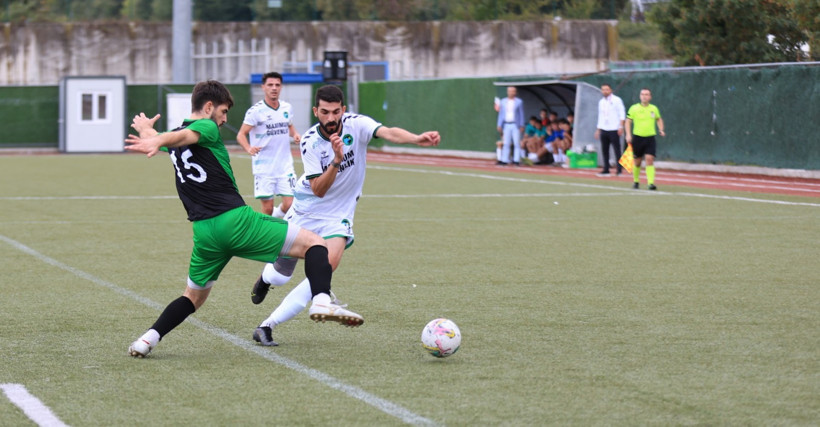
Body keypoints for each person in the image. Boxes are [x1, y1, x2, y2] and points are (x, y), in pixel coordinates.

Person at [123, 80, 362, 358]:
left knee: (193, 298)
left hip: (204, 233)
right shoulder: (207, 127)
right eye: (223, 111)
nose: (224, 119)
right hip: (235, 221)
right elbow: (183, 135)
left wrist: (150, 133)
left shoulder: (178, 135)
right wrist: (156, 137)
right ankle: (321, 300)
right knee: (316, 244)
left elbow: (175, 138)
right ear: (209, 107)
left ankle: (147, 340)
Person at [249, 84, 440, 346]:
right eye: (325, 112)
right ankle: (265, 279)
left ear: (344, 110)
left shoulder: (356, 124)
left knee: (326, 267)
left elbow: (387, 132)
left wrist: (416, 139)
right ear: (316, 111)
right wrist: (337, 160)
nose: (331, 118)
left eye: (336, 112)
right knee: (280, 275)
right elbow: (319, 189)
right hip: (307, 209)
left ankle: (269, 325)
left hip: (339, 214)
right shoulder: (310, 142)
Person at [236, 72, 301, 218]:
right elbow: (241, 134)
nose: (274, 88)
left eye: (277, 85)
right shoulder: (255, 111)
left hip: (285, 166)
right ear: (263, 87)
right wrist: (248, 148)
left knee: (291, 204)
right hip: (264, 167)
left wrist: (295, 134)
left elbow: (289, 126)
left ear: (281, 87)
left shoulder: (286, 108)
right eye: (270, 85)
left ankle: (277, 220)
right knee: (267, 209)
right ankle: (265, 236)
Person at [625, 88, 665, 190]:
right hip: (637, 138)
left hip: (650, 138)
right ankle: (636, 181)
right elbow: (628, 121)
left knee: (649, 159)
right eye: (642, 94)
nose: (644, 96)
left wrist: (661, 129)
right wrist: (628, 134)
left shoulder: (654, 108)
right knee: (637, 161)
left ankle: (650, 183)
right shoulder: (634, 108)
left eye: (647, 94)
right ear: (640, 96)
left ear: (650, 97)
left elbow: (658, 119)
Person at [594, 83, 626, 177]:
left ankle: (619, 170)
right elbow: (600, 116)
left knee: (617, 149)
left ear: (611, 90)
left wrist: (621, 127)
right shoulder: (601, 102)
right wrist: (598, 129)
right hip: (604, 128)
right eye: (603, 89)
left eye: (607, 89)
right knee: (605, 149)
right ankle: (606, 169)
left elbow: (622, 113)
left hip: (614, 129)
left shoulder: (617, 100)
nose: (605, 91)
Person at [495, 86, 525, 166]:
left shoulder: (519, 101)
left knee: (516, 143)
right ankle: (504, 160)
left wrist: (522, 124)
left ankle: (516, 160)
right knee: (506, 143)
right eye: (510, 91)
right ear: (507, 92)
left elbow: (521, 114)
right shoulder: (503, 101)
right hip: (506, 124)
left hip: (516, 124)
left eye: (513, 91)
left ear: (515, 92)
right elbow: (501, 114)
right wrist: (499, 124)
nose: (511, 93)